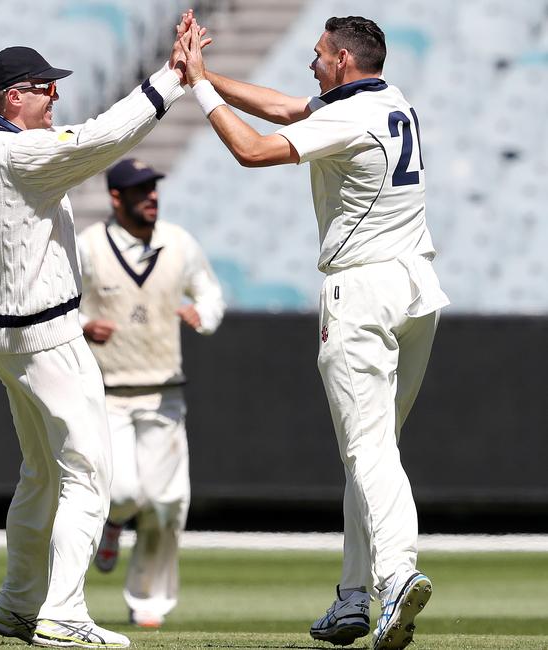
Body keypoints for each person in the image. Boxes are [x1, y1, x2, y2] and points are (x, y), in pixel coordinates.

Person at [179, 15, 450, 650]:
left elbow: (250, 149)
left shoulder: (346, 117)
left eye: (319, 55)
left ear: (344, 63)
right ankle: (354, 595)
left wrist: (198, 92)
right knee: (373, 449)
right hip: (417, 288)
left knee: (369, 452)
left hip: (361, 294)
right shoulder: (390, 101)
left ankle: (396, 577)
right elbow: (287, 106)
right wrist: (203, 73)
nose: (311, 64)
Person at [0, 11, 208, 648]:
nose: (56, 95)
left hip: (7, 336)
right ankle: (62, 611)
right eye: (44, 87)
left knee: (41, 474)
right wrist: (170, 81)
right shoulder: (21, 151)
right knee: (88, 473)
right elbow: (100, 141)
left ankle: (18, 602)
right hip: (46, 336)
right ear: (11, 96)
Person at [78, 158, 224, 627]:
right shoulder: (88, 247)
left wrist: (204, 316)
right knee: (122, 490)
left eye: (154, 189)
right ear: (116, 198)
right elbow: (58, 304)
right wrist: (83, 325)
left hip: (164, 392)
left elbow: (210, 293)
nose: (152, 197)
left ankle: (147, 600)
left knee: (168, 501)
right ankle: (113, 520)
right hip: (107, 392)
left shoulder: (178, 243)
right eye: (140, 191)